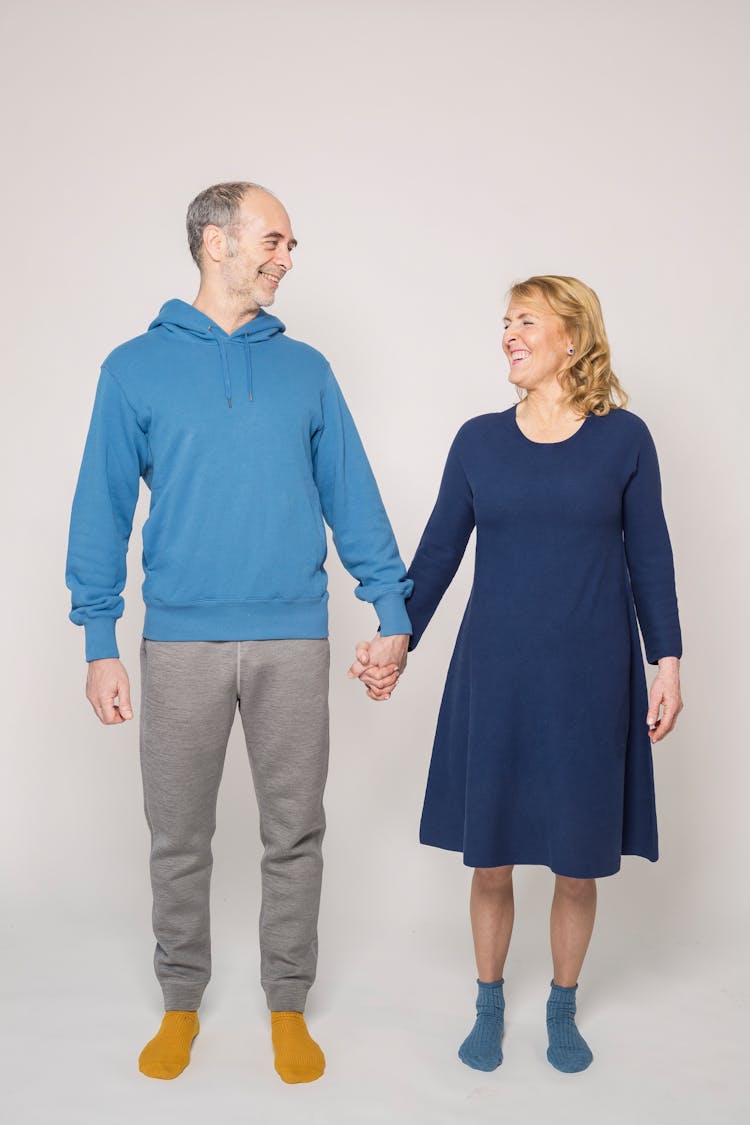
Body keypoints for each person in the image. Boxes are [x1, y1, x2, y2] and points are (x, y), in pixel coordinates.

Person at [65, 181, 411, 1083]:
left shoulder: (308, 371)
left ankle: (287, 1002)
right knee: (177, 833)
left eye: (291, 244)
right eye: (274, 239)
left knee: (295, 829)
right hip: (177, 641)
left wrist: (392, 605)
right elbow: (98, 511)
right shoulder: (133, 367)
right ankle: (182, 999)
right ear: (215, 242)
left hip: (295, 638)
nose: (287, 257)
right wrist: (100, 637)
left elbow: (354, 495)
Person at [351, 275, 683, 1074]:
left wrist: (666, 660)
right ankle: (489, 1003)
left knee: (577, 863)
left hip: (591, 679)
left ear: (572, 336)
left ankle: (563, 1006)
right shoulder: (477, 441)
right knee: (490, 857)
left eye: (525, 321)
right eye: (505, 322)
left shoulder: (625, 439)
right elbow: (434, 556)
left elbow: (652, 558)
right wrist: (394, 636)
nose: (508, 334)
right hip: (494, 677)